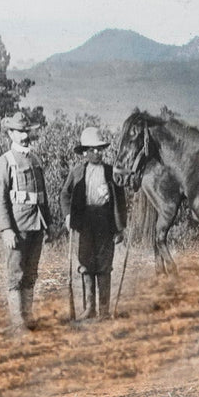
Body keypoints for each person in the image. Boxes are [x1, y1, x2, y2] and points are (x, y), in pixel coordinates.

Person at [0, 109, 52, 332]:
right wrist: (6, 229)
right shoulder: (4, 162)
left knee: (31, 273)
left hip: (37, 225)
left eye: (26, 131)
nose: (25, 136)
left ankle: (27, 317)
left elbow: (42, 195)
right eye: (19, 132)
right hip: (17, 227)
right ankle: (17, 323)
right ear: (11, 134)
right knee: (16, 274)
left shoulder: (34, 160)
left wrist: (49, 224)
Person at [61, 126, 127, 320]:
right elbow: (65, 194)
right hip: (84, 223)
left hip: (105, 222)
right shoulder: (77, 172)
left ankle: (104, 311)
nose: (96, 153)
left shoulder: (110, 172)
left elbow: (120, 200)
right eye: (92, 150)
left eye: (99, 149)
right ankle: (89, 308)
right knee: (86, 263)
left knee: (104, 264)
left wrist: (120, 228)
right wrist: (68, 216)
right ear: (85, 152)